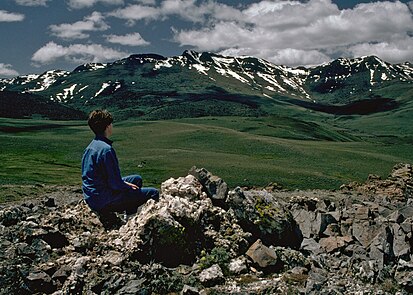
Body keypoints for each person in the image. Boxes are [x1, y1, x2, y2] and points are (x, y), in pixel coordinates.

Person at [81, 109, 159, 223]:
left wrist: (126, 184)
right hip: (103, 201)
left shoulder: (91, 147)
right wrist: (128, 187)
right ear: (107, 127)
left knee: (136, 179)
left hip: (93, 196)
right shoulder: (106, 150)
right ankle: (141, 225)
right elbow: (115, 184)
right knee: (153, 192)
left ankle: (129, 218)